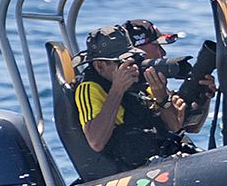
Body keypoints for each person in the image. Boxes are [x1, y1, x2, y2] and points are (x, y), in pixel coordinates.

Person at [74, 24, 194, 170]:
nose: (131, 67)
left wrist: (162, 98)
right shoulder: (90, 89)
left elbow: (174, 127)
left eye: (132, 59)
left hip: (164, 157)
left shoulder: (139, 80)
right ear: (100, 66)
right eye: (121, 63)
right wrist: (117, 90)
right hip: (132, 172)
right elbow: (96, 142)